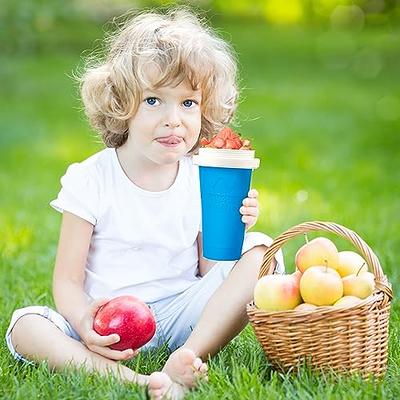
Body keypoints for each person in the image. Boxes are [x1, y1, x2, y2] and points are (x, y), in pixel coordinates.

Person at [5, 7, 284, 400]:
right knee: (25, 325)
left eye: (188, 103)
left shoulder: (200, 177)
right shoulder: (92, 178)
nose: (174, 119)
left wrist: (234, 228)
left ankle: (187, 356)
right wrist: (85, 322)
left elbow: (209, 272)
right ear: (122, 104)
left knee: (261, 251)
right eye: (154, 101)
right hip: (106, 319)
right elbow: (67, 280)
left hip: (179, 317)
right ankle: (132, 380)